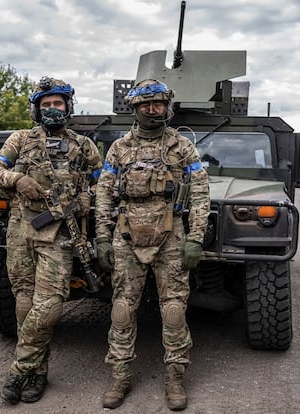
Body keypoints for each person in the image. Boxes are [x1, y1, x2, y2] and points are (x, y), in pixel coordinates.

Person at [0, 76, 103, 405]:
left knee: (49, 306)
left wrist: (85, 200)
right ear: (37, 109)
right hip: (22, 230)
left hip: (61, 234)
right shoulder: (20, 140)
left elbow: (105, 183)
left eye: (58, 104)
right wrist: (17, 178)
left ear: (68, 107)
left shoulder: (83, 145)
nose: (52, 109)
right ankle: (37, 373)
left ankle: (18, 368)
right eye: (46, 104)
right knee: (24, 302)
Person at [95, 79, 210, 411]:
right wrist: (102, 237)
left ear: (167, 107)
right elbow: (104, 192)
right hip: (127, 235)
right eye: (144, 104)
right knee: (121, 309)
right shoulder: (119, 148)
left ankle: (174, 378)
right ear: (134, 108)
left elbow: (201, 193)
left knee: (173, 310)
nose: (151, 109)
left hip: (171, 236)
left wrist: (195, 240)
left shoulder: (182, 147)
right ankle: (120, 376)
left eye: (157, 103)